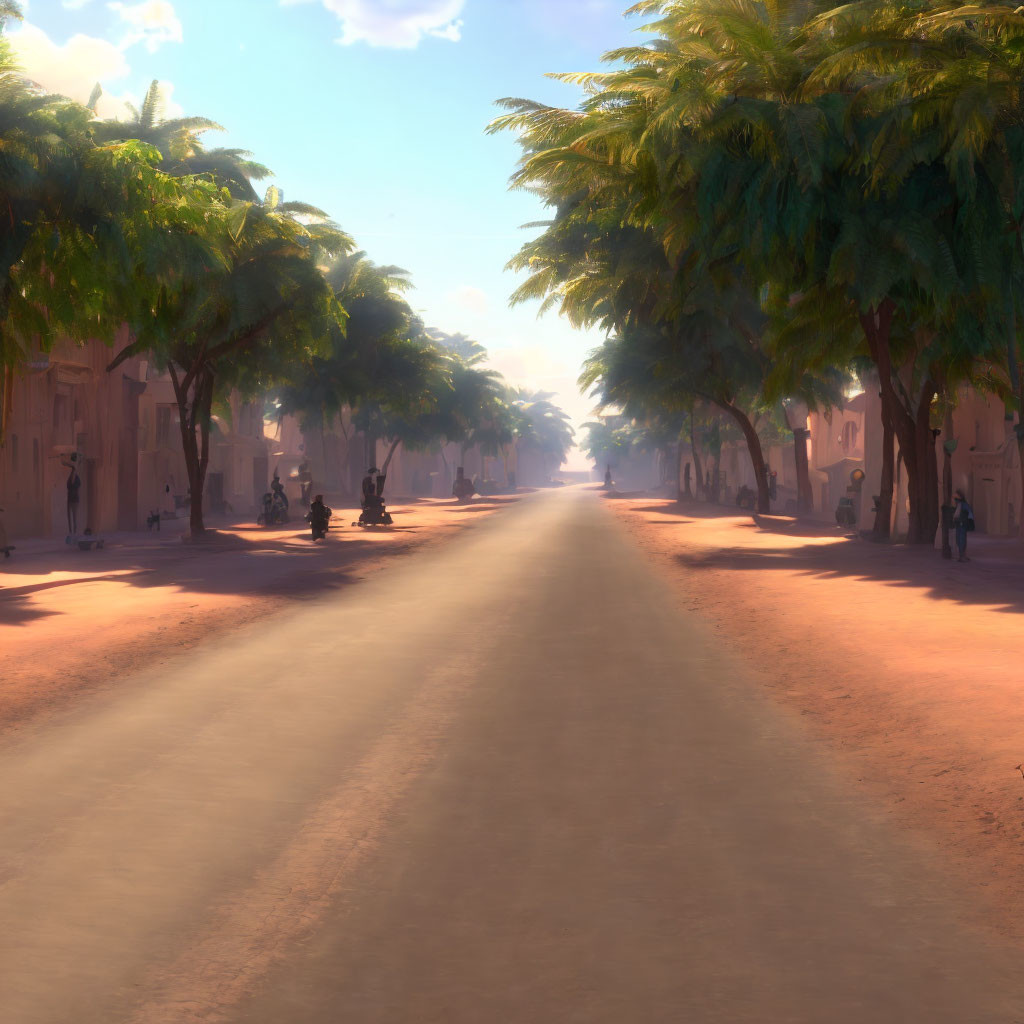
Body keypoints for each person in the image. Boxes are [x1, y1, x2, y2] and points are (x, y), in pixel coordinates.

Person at [61, 454, 82, 537]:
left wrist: (63, 460)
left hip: (72, 498)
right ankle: (72, 533)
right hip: (73, 498)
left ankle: (73, 533)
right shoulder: (74, 474)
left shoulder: (74, 475)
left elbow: (69, 464)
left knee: (72, 517)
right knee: (72, 517)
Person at [952, 488, 975, 562]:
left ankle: (962, 556)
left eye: (956, 496)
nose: (954, 498)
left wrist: (968, 521)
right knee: (959, 539)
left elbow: (970, 513)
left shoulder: (963, 504)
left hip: (962, 524)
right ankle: (962, 555)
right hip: (959, 524)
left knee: (961, 540)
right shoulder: (958, 504)